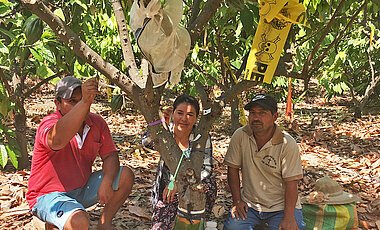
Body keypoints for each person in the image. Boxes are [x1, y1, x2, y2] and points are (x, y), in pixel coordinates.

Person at [26, 76, 134, 230]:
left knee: (125, 175)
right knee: (79, 221)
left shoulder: (97, 123)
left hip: (81, 189)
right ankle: (48, 219)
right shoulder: (49, 124)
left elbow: (110, 155)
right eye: (72, 102)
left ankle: (104, 224)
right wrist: (84, 103)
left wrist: (108, 180)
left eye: (81, 99)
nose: (79, 106)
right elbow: (56, 140)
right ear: (57, 104)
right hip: (47, 195)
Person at [223, 94, 305, 230]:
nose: (256, 118)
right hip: (250, 205)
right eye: (253, 113)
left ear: (275, 117)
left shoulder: (287, 143)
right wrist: (237, 201)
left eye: (262, 113)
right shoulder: (240, 135)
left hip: (281, 207)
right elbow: (232, 169)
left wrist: (289, 217)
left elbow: (292, 183)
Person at [142, 94, 217, 230]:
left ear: (196, 118)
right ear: (173, 113)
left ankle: (197, 215)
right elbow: (146, 143)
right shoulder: (166, 133)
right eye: (180, 113)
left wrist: (181, 182)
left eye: (189, 115)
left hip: (192, 188)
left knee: (209, 183)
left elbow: (207, 169)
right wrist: (157, 127)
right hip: (168, 192)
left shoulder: (201, 138)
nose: (184, 119)